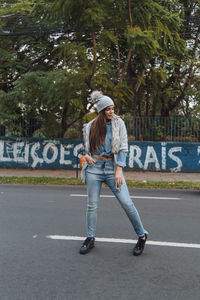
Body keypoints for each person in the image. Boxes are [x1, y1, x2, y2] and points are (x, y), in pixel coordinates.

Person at [80, 91, 148, 256]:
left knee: (126, 203)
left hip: (112, 168)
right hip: (94, 168)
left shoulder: (119, 123)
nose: (112, 112)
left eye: (112, 108)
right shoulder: (90, 126)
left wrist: (119, 169)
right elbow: (85, 149)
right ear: (101, 111)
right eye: (108, 109)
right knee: (92, 205)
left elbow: (123, 147)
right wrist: (87, 157)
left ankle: (142, 235)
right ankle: (90, 238)